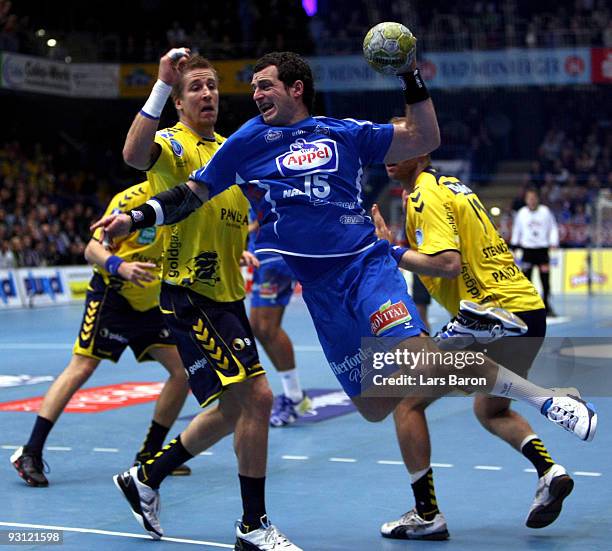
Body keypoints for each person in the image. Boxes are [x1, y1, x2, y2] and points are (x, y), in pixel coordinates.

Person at [93, 49, 597, 541]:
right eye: (253, 87)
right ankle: (466, 341)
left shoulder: (344, 133)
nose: (255, 93)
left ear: (296, 89)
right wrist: (135, 217)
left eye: (265, 84)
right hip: (322, 295)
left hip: (366, 269)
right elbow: (190, 195)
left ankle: (547, 399)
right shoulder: (247, 140)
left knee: (415, 359)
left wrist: (410, 76)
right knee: (377, 405)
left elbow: (425, 135)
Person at [117, 49, 299, 550]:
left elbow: (239, 214)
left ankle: (146, 476)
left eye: (213, 86)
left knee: (232, 408)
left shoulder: (230, 151)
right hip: (189, 294)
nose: (208, 94)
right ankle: (254, 526)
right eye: (195, 87)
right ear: (178, 102)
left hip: (227, 295)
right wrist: (159, 83)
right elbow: (133, 156)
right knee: (258, 399)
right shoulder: (172, 145)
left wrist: (249, 251)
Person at [372, 149, 574, 540]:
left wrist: (389, 251)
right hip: (527, 312)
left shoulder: (423, 194)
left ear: (423, 152)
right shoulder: (453, 188)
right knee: (491, 407)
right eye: (386, 149)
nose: (388, 156)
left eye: (399, 148)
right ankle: (550, 471)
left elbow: (448, 263)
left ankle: (427, 513)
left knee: (407, 402)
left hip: (489, 317)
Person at [11, 181, 190, 487]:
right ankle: (31, 451)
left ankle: (148, 454)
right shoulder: (132, 198)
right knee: (82, 367)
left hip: (150, 306)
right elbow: (91, 250)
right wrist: (120, 266)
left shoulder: (189, 201)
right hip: (113, 296)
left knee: (182, 372)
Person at [248, 217, 311, 427]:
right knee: (258, 327)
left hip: (275, 254)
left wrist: (250, 226)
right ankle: (294, 395)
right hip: (261, 253)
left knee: (266, 327)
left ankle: (294, 397)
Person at [511, 188, 559, 316]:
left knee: (545, 280)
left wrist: (554, 242)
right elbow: (517, 229)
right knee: (527, 281)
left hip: (542, 249)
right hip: (528, 250)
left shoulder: (545, 212)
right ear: (526, 200)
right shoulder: (521, 213)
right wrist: (514, 245)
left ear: (537, 199)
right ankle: (528, 307)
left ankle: (546, 306)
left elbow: (553, 227)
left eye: (533, 198)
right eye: (529, 199)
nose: (531, 201)